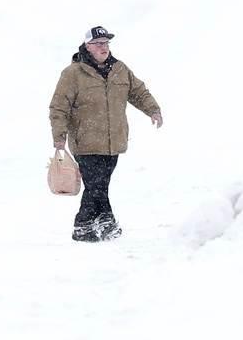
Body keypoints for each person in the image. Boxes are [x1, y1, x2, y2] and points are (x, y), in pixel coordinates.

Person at [49, 26, 162, 243]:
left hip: (114, 141)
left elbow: (138, 92)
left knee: (100, 186)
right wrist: (59, 136)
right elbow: (59, 107)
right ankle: (94, 225)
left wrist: (153, 110)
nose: (103, 47)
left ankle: (94, 225)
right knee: (96, 185)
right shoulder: (73, 73)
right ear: (88, 47)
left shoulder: (120, 69)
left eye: (106, 43)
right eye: (98, 44)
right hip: (86, 141)